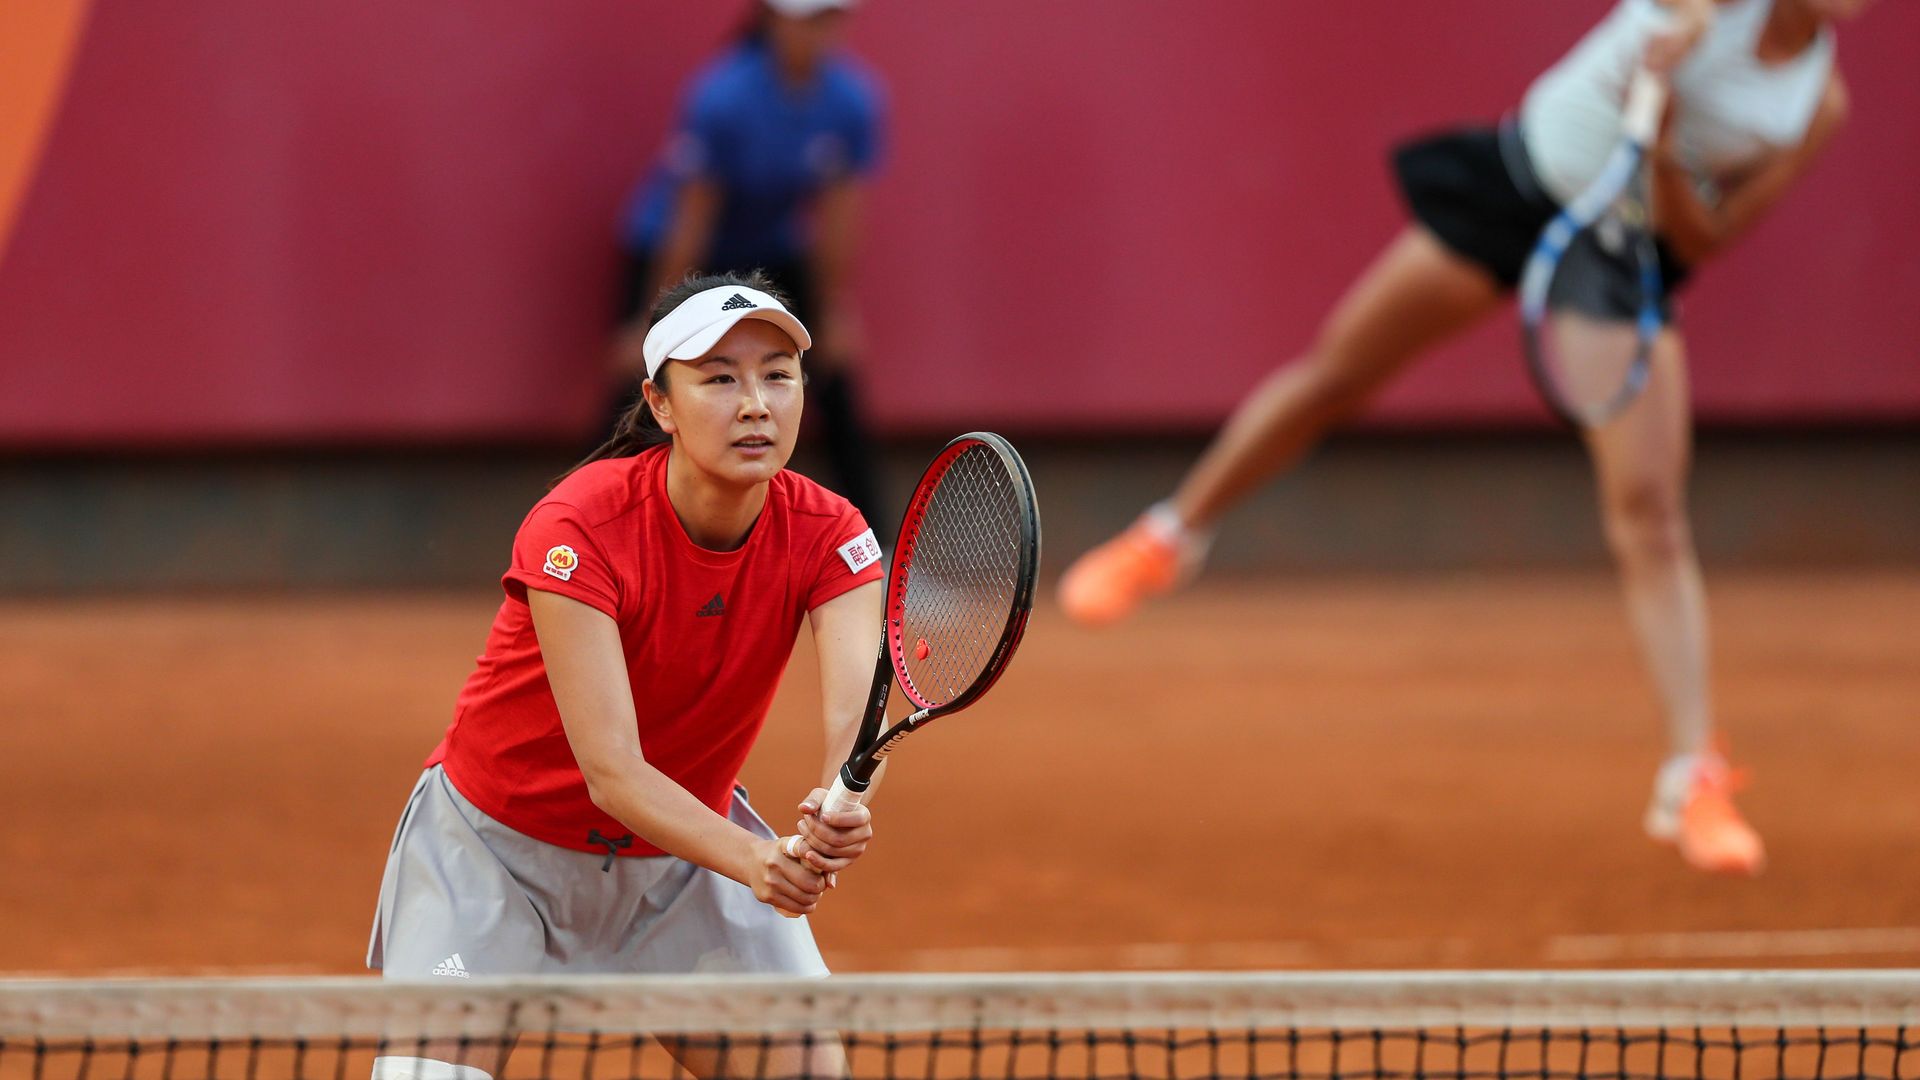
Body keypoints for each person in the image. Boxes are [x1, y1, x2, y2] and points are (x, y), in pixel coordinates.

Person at [1059, 0, 1869, 878]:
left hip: (1618, 255)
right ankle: (1170, 535)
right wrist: (1673, 44)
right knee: (1337, 375)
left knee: (1651, 514)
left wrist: (1667, 136)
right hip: (1517, 188)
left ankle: (1693, 777)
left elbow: (1707, 232)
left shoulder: (1815, 105)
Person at [368, 272, 885, 1079]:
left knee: (806, 1070)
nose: (756, 403)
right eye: (720, 379)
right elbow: (612, 771)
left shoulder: (831, 531)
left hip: (681, 864)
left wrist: (839, 800)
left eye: (777, 376)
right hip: (495, 854)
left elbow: (858, 705)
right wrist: (757, 862)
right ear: (661, 404)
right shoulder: (579, 526)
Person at [615, 0, 888, 535]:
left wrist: (831, 309)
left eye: (830, 18)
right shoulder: (723, 96)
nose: (818, 33)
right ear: (771, 19)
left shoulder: (853, 100)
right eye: (806, 19)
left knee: (831, 379)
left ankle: (876, 546)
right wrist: (652, 320)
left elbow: (838, 218)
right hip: (683, 249)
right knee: (644, 383)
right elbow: (692, 217)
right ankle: (581, 525)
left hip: (773, 253)